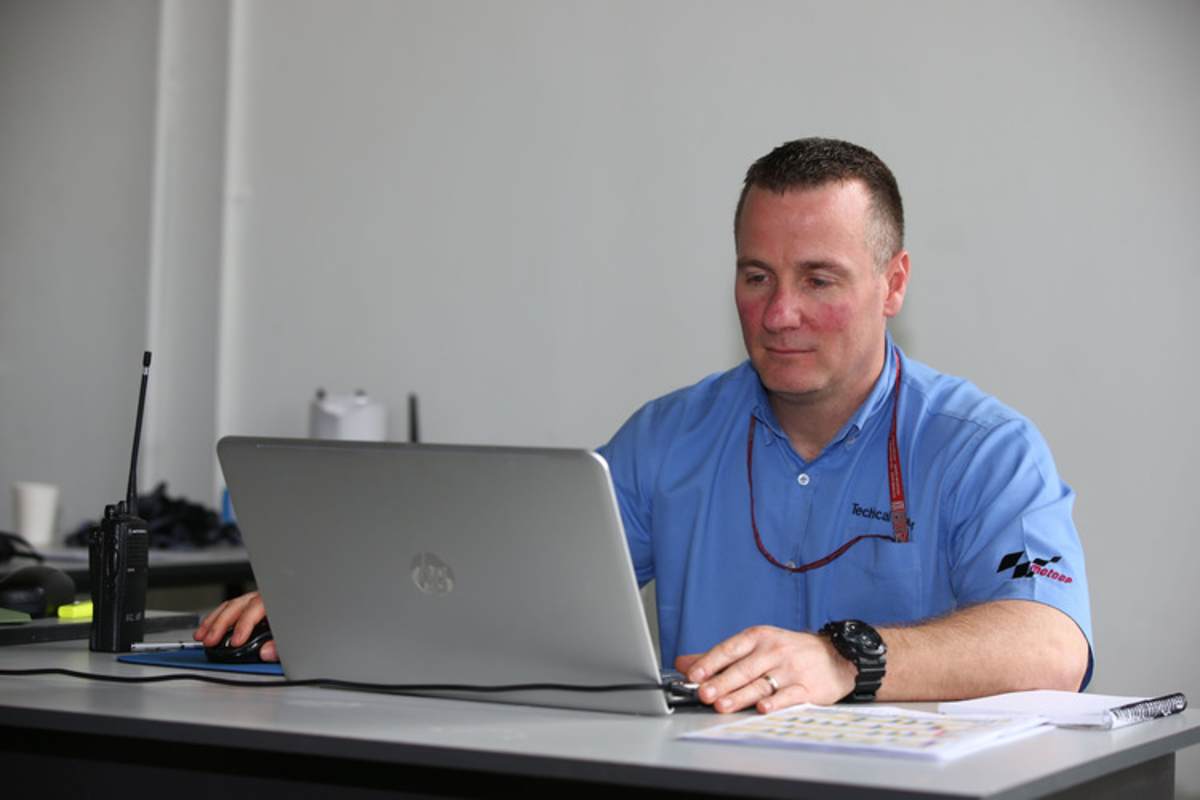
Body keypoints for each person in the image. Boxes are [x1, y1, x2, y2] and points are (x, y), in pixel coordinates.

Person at [197, 138, 1092, 714]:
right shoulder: (670, 435)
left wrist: (846, 661)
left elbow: (1053, 645)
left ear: (893, 283)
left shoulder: (983, 448)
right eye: (754, 276)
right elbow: (512, 588)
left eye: (819, 279)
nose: (778, 313)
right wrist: (337, 600)